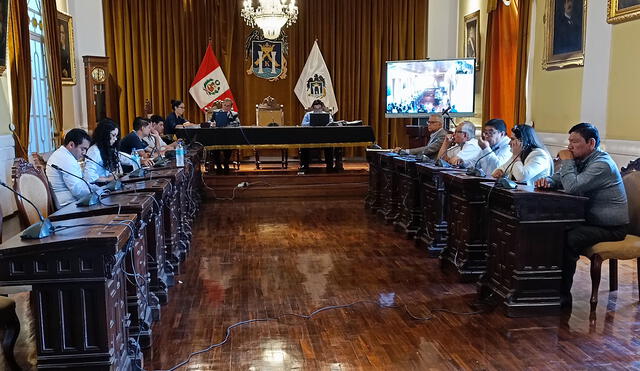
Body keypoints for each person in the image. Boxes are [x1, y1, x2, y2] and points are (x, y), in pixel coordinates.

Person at [535, 123, 628, 306]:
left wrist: (567, 161)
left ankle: (562, 295)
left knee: (569, 238)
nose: (569, 146)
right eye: (569, 141)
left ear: (591, 143)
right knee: (551, 230)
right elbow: (560, 178)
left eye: (575, 142)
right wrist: (547, 181)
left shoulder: (602, 164)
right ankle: (542, 286)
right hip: (590, 221)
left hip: (611, 227)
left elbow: (573, 187)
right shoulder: (581, 159)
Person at [46, 128, 96, 209]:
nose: (84, 153)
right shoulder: (66, 159)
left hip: (71, 202)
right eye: (82, 149)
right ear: (71, 145)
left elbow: (80, 184)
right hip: (68, 206)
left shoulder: (63, 154)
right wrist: (97, 193)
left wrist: (97, 189)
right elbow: (78, 191)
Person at [300, 99, 341, 171]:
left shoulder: (327, 115)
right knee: (304, 146)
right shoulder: (308, 114)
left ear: (322, 108)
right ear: (313, 108)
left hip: (324, 137)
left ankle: (330, 166)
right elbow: (303, 124)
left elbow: (332, 124)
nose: (317, 110)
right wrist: (312, 123)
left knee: (329, 146)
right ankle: (304, 166)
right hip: (311, 137)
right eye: (315, 109)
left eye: (319, 108)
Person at [83, 118, 122, 185]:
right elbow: (88, 177)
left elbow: (117, 171)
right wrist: (107, 179)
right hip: (99, 188)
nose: (115, 139)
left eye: (116, 136)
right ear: (104, 134)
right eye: (113, 135)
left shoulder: (109, 149)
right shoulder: (94, 151)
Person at [210, 98, 240, 174]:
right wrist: (213, 124)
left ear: (231, 107)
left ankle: (226, 164)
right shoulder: (215, 112)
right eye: (224, 105)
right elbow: (210, 122)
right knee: (214, 149)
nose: (226, 107)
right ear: (222, 105)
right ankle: (218, 166)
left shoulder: (234, 114)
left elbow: (237, 123)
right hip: (217, 136)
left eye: (228, 106)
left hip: (228, 136)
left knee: (228, 148)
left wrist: (228, 125)